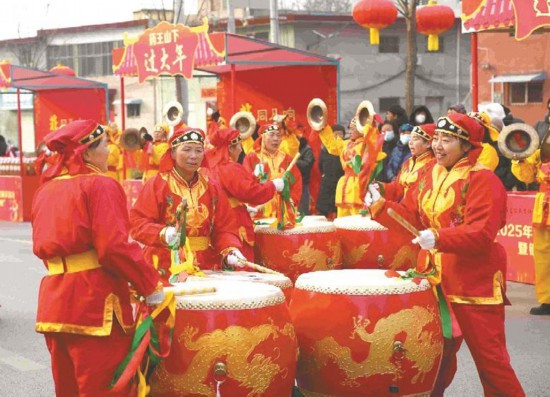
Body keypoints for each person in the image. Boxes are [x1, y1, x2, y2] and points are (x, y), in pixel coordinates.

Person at [365, 113, 525, 396]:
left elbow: (481, 234)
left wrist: (439, 237)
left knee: (491, 363)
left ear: (467, 146)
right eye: (436, 138)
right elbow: (410, 215)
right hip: (435, 280)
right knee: (431, 357)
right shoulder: (429, 174)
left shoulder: (483, 181)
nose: (437, 145)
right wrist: (380, 206)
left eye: (447, 139)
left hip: (473, 285)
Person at [31, 119, 162, 395]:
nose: (111, 150)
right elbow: (113, 247)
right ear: (87, 153)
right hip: (94, 302)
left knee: (67, 389)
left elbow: (46, 247)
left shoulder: (46, 188)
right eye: (105, 145)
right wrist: (149, 284)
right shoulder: (100, 184)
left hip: (54, 303)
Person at [130, 127, 245, 282]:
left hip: (205, 267)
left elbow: (225, 227)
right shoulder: (157, 185)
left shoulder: (212, 187)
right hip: (166, 265)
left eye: (198, 150)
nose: (193, 156)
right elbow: (138, 224)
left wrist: (229, 249)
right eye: (187, 150)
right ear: (172, 153)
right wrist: (164, 233)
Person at [204, 127, 283, 261]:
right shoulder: (229, 167)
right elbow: (249, 191)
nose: (241, 149)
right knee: (241, 263)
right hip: (233, 223)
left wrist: (244, 205)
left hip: (219, 221)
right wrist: (272, 186)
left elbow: (230, 193)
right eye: (239, 145)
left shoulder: (212, 166)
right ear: (230, 148)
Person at [511, 148, 550, 315]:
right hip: (543, 208)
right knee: (543, 255)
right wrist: (520, 159)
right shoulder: (542, 152)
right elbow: (526, 177)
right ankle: (547, 299)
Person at [243, 123, 303, 219]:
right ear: (262, 137)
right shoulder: (252, 158)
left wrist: (292, 201)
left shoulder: (286, 158)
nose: (276, 139)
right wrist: (254, 175)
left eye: (278, 135)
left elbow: (296, 182)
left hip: (284, 212)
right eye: (271, 135)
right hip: (260, 212)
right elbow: (245, 184)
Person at [379, 123, 435, 202]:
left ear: (428, 144)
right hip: (402, 207)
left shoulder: (432, 166)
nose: (410, 142)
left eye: (415, 139)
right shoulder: (409, 162)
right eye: (410, 139)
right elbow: (397, 188)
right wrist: (378, 187)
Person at [316, 124, 345, 219]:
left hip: (340, 180)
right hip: (327, 181)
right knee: (323, 207)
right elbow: (320, 165)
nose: (338, 137)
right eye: (336, 134)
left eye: (340, 135)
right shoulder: (325, 150)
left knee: (338, 208)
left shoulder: (345, 148)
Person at [296, 136, 315, 215]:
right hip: (289, 183)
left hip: (302, 183)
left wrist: (294, 161)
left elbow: (307, 165)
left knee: (302, 210)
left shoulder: (307, 149)